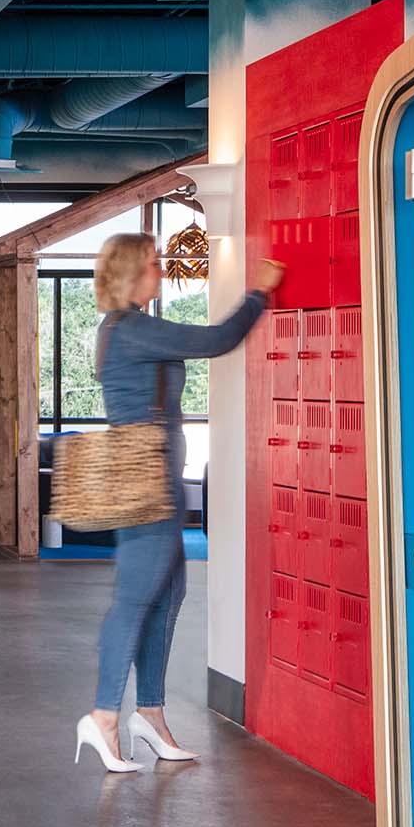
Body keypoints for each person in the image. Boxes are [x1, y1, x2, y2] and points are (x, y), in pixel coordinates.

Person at [74, 233, 286, 774]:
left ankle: (149, 714)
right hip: (146, 480)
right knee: (135, 598)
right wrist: (260, 293)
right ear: (130, 272)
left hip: (157, 479)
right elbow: (217, 339)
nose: (161, 270)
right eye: (152, 263)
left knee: (167, 596)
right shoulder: (133, 330)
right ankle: (102, 716)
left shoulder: (128, 327)